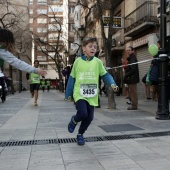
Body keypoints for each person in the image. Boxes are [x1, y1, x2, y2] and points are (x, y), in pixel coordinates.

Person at [65, 37, 118, 145]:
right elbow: (71, 78)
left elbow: (105, 75)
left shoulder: (98, 62)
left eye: (95, 46)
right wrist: (68, 94)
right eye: (90, 46)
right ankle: (74, 120)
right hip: (79, 93)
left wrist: (112, 84)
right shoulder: (77, 62)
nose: (93, 48)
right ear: (84, 48)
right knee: (83, 113)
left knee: (89, 118)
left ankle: (80, 134)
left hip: (92, 94)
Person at [124, 46, 139, 110]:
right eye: (127, 50)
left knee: (133, 92)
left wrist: (126, 75)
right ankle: (133, 104)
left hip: (132, 78)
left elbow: (133, 69)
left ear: (132, 51)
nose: (128, 51)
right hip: (131, 78)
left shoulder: (132, 58)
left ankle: (134, 105)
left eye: (129, 50)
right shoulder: (130, 58)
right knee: (131, 92)